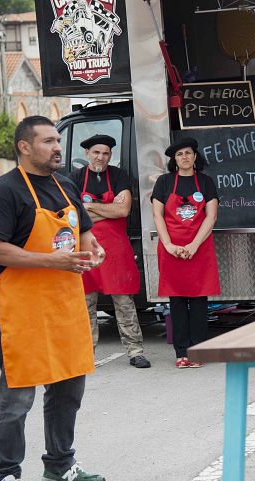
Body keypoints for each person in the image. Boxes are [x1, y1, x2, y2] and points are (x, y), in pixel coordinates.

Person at [0, 116, 106, 481]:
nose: (56, 147)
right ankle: (5, 479)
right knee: (17, 400)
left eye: (57, 141)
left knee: (68, 391)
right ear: (24, 146)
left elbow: (84, 234)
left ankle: (59, 466)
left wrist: (95, 250)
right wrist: (52, 261)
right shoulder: (5, 190)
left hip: (65, 304)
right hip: (24, 309)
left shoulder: (65, 183)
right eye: (48, 141)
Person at [69, 134, 150, 369]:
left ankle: (135, 351)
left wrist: (90, 207)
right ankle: (86, 355)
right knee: (86, 304)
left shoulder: (118, 176)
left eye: (105, 153)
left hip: (116, 249)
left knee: (124, 301)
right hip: (86, 248)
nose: (100, 157)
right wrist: (108, 208)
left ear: (110, 155)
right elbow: (73, 215)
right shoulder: (74, 178)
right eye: (96, 152)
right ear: (87, 154)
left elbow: (123, 210)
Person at [151, 138, 220, 368]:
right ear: (174, 160)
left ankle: (198, 351)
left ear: (195, 156)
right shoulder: (164, 182)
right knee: (177, 301)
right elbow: (158, 216)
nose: (185, 157)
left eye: (188, 153)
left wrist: (194, 245)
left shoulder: (206, 182)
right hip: (172, 250)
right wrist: (169, 245)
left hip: (199, 249)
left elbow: (211, 217)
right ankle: (181, 352)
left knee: (200, 302)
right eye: (180, 154)